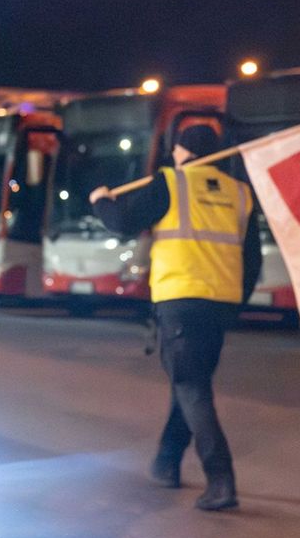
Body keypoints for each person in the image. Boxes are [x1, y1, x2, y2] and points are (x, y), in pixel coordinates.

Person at [89, 124, 260, 511]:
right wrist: (235, 302)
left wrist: (101, 200)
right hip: (219, 305)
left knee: (191, 387)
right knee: (188, 383)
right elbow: (252, 260)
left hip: (179, 300)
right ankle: (166, 463)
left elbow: (122, 222)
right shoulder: (239, 194)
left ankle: (221, 480)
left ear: (181, 151)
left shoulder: (171, 182)